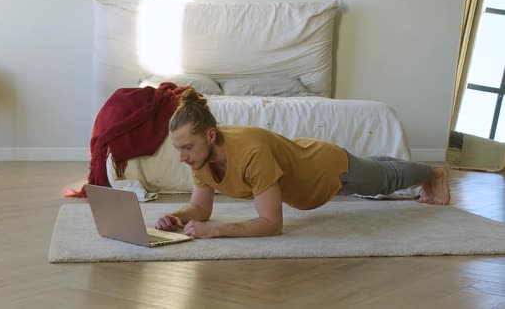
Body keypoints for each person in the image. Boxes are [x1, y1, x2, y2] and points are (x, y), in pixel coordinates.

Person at [155, 89, 451, 239]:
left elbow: (272, 225)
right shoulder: (200, 154)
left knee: (384, 179)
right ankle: (389, 165)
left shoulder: (250, 152)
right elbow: (201, 209)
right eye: (178, 149)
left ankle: (433, 172)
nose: (182, 157)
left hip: (327, 169)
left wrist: (216, 231)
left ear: (209, 135)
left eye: (186, 148)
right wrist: (177, 216)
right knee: (374, 167)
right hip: (309, 162)